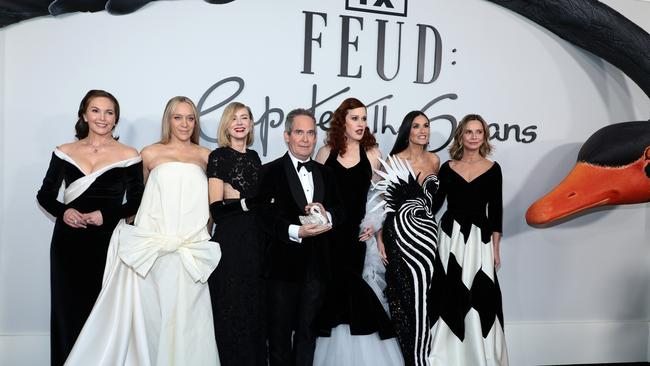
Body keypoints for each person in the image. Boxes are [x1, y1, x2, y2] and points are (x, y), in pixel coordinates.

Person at [63, 96, 222, 366]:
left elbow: (212, 204)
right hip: (153, 252)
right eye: (178, 117)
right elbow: (138, 201)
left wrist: (203, 237)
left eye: (190, 118)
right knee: (150, 318)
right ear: (168, 120)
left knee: (189, 319)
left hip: (189, 251)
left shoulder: (207, 157)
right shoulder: (148, 153)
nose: (184, 124)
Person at [36, 89, 144, 366]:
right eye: (96, 110)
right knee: (66, 310)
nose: (102, 118)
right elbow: (45, 196)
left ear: (116, 118)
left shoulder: (129, 155)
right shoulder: (64, 152)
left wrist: (105, 215)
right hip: (68, 243)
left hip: (107, 243)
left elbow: (137, 201)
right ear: (84, 114)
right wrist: (64, 212)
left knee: (104, 313)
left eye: (109, 112)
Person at [312, 97, 401, 366]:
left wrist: (374, 224)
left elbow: (384, 196)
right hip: (328, 238)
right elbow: (314, 195)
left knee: (357, 298)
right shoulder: (325, 152)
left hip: (357, 238)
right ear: (343, 121)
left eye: (364, 118)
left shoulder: (372, 154)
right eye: (355, 118)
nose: (361, 123)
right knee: (331, 297)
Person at [257, 108, 342, 366]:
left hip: (316, 269)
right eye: (299, 133)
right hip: (282, 269)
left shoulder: (326, 172)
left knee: (308, 335)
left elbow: (342, 209)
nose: (305, 139)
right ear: (286, 136)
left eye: (311, 133)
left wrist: (328, 217)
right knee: (279, 337)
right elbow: (264, 217)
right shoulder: (269, 171)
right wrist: (296, 231)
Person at [429, 114, 508, 366]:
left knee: (480, 293)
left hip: (479, 241)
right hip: (450, 238)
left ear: (484, 136)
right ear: (461, 136)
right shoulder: (447, 167)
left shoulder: (493, 169)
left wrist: (496, 249)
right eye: (469, 132)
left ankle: (479, 354)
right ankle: (444, 355)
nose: (474, 136)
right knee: (448, 289)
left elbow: (496, 211)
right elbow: (435, 204)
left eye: (479, 132)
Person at [377, 111, 443, 366]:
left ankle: (421, 357)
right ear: (408, 130)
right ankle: (407, 358)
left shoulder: (435, 160)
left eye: (426, 126)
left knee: (424, 297)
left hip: (426, 236)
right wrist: (380, 238)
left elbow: (432, 202)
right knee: (402, 297)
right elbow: (381, 205)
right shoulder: (393, 161)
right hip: (399, 236)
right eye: (416, 126)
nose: (422, 130)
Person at [206, 102, 266, 366]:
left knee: (254, 309)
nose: (240, 122)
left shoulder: (254, 158)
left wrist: (240, 199)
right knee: (230, 307)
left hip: (257, 241)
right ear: (226, 126)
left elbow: (265, 204)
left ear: (252, 124)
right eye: (234, 119)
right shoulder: (218, 157)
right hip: (230, 242)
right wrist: (245, 202)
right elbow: (217, 210)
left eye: (245, 118)